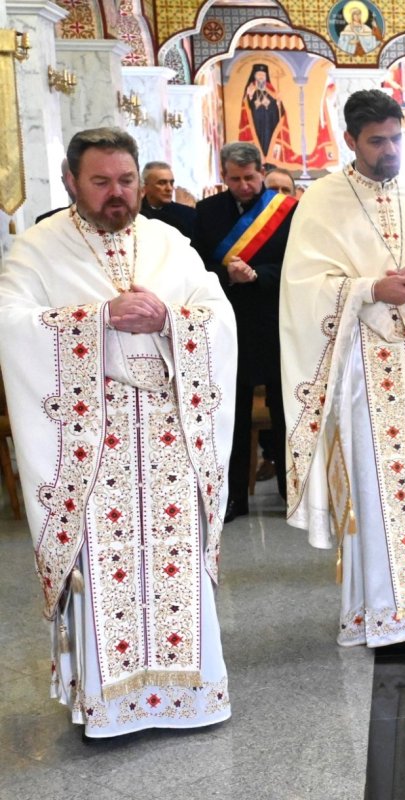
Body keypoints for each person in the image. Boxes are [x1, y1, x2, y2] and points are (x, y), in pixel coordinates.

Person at [0, 127, 237, 736]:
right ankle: (110, 705)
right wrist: (98, 318)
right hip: (88, 445)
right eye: (101, 181)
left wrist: (170, 320)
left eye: (126, 181)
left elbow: (218, 316)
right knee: (105, 573)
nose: (117, 194)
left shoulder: (169, 242)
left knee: (175, 566)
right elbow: (11, 324)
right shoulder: (37, 248)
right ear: (71, 181)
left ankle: (190, 695)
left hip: (168, 438)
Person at [281, 90, 405, 648]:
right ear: (350, 140)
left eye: (396, 139)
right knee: (374, 488)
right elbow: (303, 290)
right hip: (361, 370)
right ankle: (385, 612)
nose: (389, 150)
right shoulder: (321, 201)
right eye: (377, 141)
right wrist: (370, 288)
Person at [192, 142, 297, 521]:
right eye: (235, 179)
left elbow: (297, 264)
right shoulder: (207, 212)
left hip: (275, 322)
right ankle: (233, 496)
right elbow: (196, 264)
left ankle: (291, 492)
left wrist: (257, 275)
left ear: (261, 172)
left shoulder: (287, 211)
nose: (244, 186)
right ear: (223, 176)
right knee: (230, 414)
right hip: (227, 324)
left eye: (250, 177)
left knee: (285, 412)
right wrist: (226, 275)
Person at [139, 160, 197, 238]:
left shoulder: (187, 215)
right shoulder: (135, 215)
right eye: (162, 183)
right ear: (145, 186)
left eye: (171, 183)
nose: (169, 188)